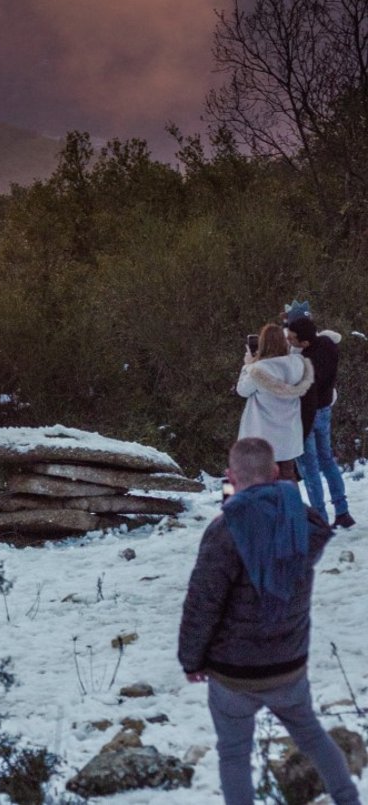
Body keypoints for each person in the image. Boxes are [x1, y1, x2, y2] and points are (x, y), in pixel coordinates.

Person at [178, 436, 360, 805]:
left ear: (230, 475)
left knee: (233, 756)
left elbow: (203, 604)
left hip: (233, 673)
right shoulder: (302, 521)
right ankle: (348, 799)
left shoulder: (224, 530)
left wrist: (191, 660)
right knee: (312, 737)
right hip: (288, 665)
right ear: (276, 472)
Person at [285, 308, 354, 529]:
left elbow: (307, 396)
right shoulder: (328, 345)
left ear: (303, 342)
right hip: (325, 409)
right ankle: (342, 510)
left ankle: (320, 519)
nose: (289, 341)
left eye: (292, 338)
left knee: (310, 469)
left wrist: (301, 431)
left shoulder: (304, 361)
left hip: (308, 414)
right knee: (327, 461)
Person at [236, 324, 311, 482]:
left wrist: (247, 365)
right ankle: (292, 506)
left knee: (265, 481)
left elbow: (242, 390)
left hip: (265, 437)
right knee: (288, 477)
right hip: (289, 435)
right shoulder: (298, 364)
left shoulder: (258, 369)